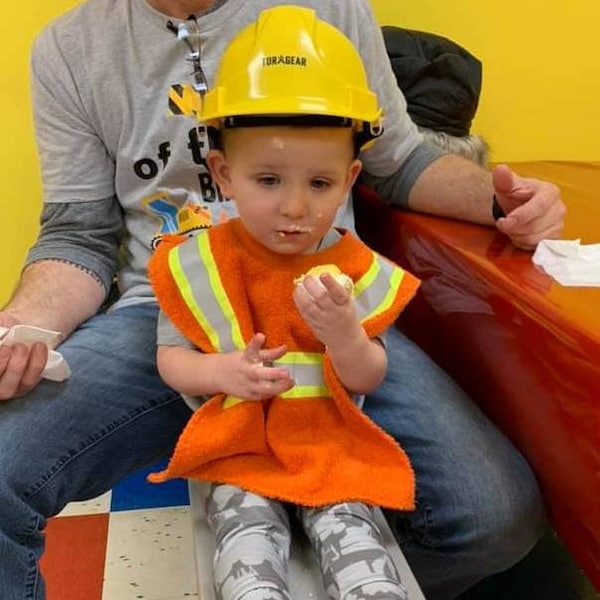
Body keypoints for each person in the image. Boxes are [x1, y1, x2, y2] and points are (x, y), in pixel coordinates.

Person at [0, 0, 562, 599]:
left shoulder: (333, 11)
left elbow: (398, 162)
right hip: (169, 310)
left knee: (492, 516)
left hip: (328, 311)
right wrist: (25, 329)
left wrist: (501, 204)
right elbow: (78, 231)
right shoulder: (70, 48)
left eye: (318, 185)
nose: (293, 205)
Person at [149, 12, 420, 599]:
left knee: (359, 546)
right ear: (223, 173)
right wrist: (221, 372)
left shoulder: (355, 268)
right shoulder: (199, 263)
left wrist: (346, 337)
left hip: (332, 447)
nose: (295, 208)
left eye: (319, 185)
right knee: (245, 554)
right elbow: (171, 358)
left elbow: (371, 372)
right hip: (242, 447)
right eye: (268, 180)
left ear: (349, 180)